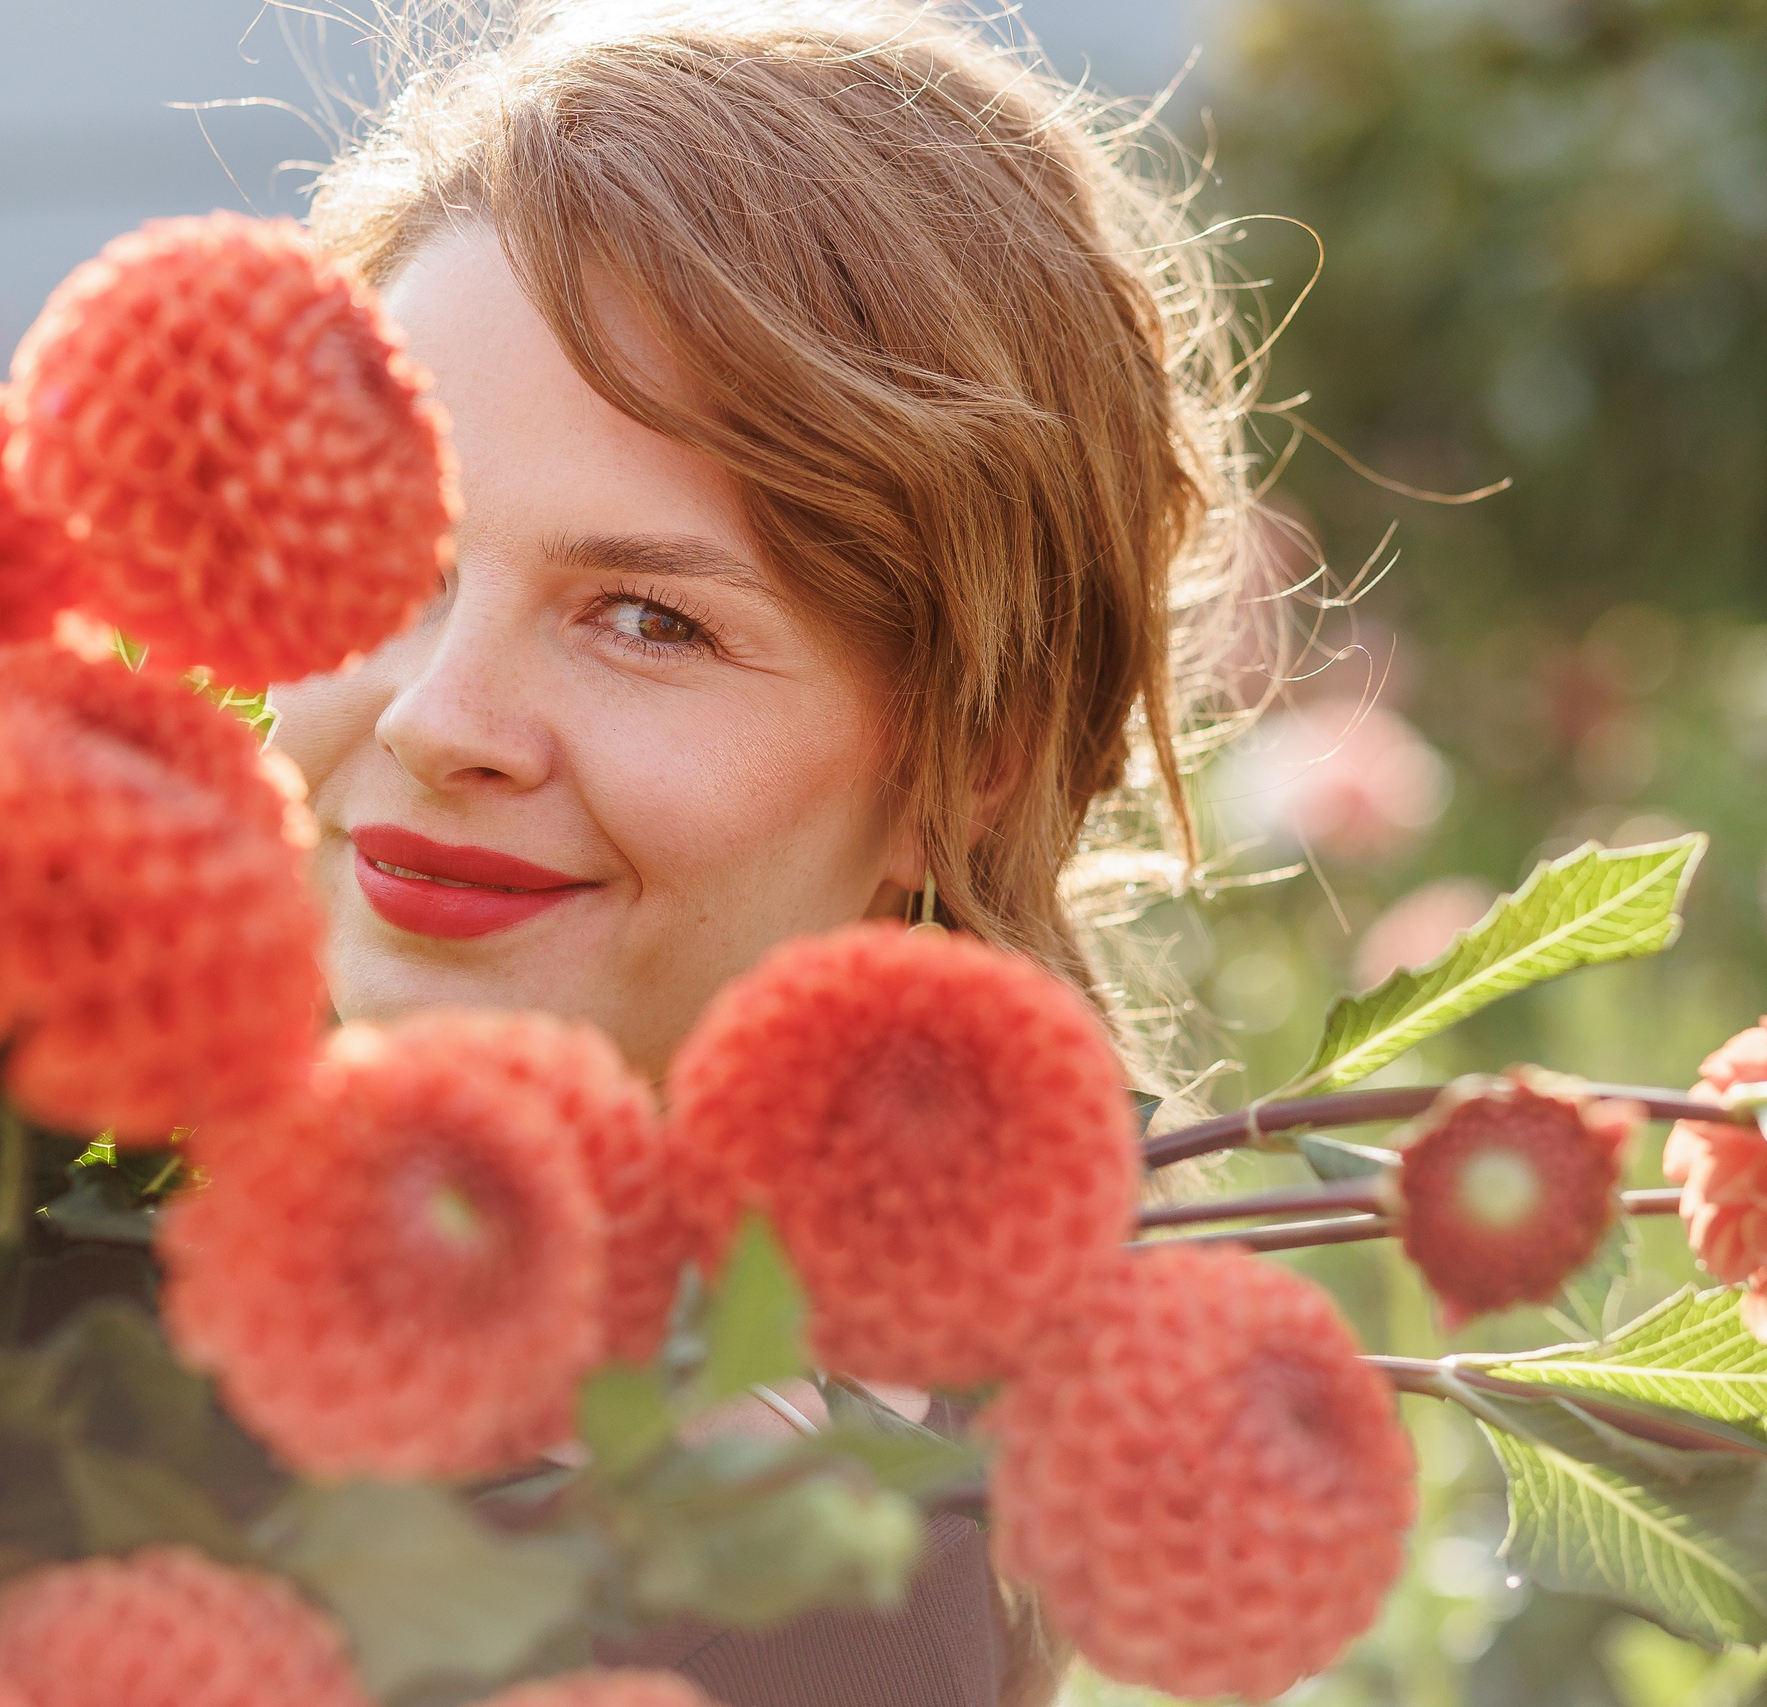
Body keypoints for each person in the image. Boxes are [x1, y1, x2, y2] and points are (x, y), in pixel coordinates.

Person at [266, 4, 1254, 1703]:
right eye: (395, 551)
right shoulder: (9, 1222)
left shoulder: (784, 1617)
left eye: (645, 618)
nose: (437, 717)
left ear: (966, 764)